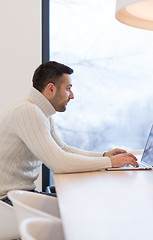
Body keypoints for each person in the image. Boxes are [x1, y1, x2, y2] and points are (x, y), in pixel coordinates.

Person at [0, 61, 139, 205]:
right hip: (7, 201)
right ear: (51, 89)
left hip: (18, 196)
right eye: (68, 89)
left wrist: (103, 156)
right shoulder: (28, 111)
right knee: (82, 206)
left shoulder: (40, 112)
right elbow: (59, 162)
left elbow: (63, 149)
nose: (72, 96)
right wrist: (109, 162)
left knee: (81, 202)